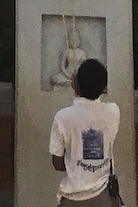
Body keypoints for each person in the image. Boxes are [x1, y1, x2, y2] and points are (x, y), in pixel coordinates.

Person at [49, 57, 121, 204]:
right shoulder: (113, 112)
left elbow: (57, 163)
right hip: (103, 195)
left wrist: (76, 163)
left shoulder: (63, 117)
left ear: (75, 82)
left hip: (73, 196)